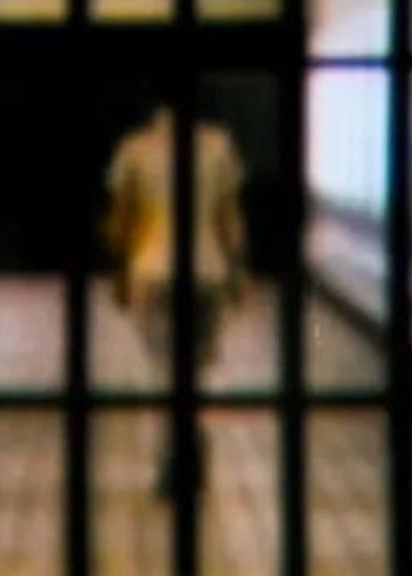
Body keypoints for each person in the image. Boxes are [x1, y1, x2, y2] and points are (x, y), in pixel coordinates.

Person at [104, 105, 247, 496]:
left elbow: (123, 220)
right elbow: (229, 219)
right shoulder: (219, 146)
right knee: (195, 369)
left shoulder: (134, 149)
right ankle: (190, 446)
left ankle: (173, 460)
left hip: (153, 271)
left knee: (164, 368)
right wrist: (237, 272)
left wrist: (120, 271)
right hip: (207, 272)